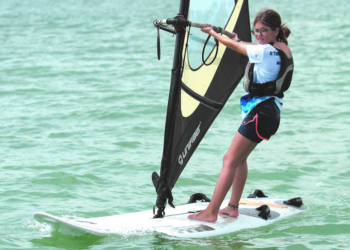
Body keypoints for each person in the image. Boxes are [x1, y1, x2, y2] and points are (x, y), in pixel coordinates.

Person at [188, 9, 293, 222]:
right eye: (256, 31)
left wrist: (214, 34)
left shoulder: (265, 51)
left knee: (229, 159)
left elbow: (236, 47)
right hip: (267, 114)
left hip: (260, 114)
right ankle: (232, 207)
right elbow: (245, 45)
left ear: (275, 31)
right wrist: (237, 39)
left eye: (264, 31)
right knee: (240, 159)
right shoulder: (280, 47)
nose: (259, 35)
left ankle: (211, 212)